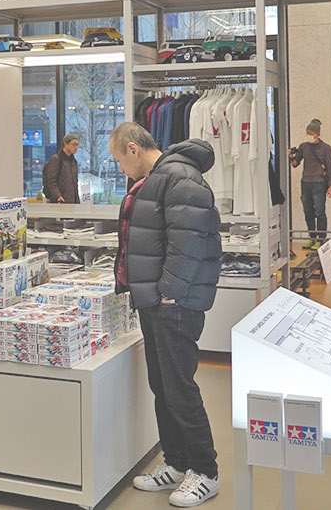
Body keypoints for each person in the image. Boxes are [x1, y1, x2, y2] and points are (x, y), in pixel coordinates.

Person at [110, 122, 221, 507]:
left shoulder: (179, 177)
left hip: (174, 303)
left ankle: (205, 471)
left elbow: (188, 243)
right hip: (155, 300)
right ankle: (177, 462)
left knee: (179, 387)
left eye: (119, 160)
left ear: (133, 149)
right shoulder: (159, 178)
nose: (121, 168)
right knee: (163, 386)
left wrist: (169, 293)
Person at [289, 119, 331, 247]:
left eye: (311, 133)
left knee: (320, 211)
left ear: (318, 134)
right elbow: (295, 163)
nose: (308, 135)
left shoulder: (325, 148)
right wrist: (290, 156)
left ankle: (321, 239)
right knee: (308, 211)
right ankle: (312, 236)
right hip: (305, 183)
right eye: (307, 133)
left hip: (319, 183)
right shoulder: (304, 146)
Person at [42, 133, 81, 203]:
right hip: (59, 201)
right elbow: (51, 181)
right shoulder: (56, 159)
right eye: (73, 144)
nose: (76, 147)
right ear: (65, 144)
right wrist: (58, 196)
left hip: (72, 201)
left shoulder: (74, 161)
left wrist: (77, 200)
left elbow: (75, 184)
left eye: (77, 145)